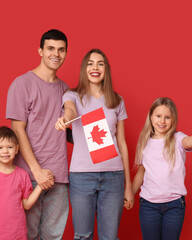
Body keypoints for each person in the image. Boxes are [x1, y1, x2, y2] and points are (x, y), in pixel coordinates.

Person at [55, 49, 134, 240]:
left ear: (106, 69)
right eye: (90, 63)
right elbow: (71, 111)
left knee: (110, 237)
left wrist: (128, 185)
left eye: (100, 63)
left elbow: (122, 143)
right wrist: (66, 119)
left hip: (114, 177)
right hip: (82, 177)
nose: (95, 68)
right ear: (84, 69)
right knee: (83, 236)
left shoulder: (117, 101)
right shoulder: (72, 95)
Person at [5, 29, 69, 239]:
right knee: (27, 235)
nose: (56, 54)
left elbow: (70, 130)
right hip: (29, 175)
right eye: (50, 48)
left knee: (53, 236)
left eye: (61, 50)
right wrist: (37, 171)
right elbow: (17, 130)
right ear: (40, 50)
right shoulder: (22, 84)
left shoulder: (66, 90)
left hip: (58, 176)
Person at [130, 97, 192, 240]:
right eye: (158, 116)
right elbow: (141, 172)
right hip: (149, 205)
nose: (162, 121)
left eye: (167, 117)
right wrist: (130, 192)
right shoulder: (144, 141)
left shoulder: (178, 138)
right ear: (150, 117)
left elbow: (189, 140)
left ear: (173, 120)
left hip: (174, 205)